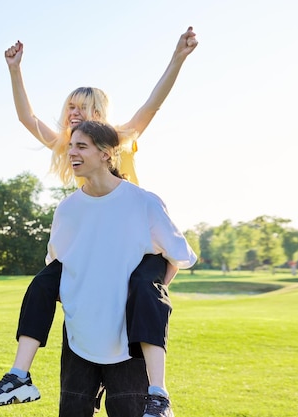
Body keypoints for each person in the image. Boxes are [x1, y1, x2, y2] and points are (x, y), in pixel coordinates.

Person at [0, 27, 198, 415]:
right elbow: (28, 118)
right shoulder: (70, 151)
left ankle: (158, 393)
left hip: (136, 237)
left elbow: (152, 104)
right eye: (69, 108)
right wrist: (15, 71)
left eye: (80, 107)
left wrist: (178, 58)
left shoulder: (119, 137)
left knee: (143, 289)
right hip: (94, 234)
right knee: (46, 281)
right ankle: (19, 376)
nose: (71, 114)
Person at [53, 121, 196, 416]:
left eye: (81, 146)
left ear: (107, 154)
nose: (72, 153)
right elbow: (56, 269)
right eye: (70, 146)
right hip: (79, 336)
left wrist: (146, 295)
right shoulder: (67, 209)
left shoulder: (144, 203)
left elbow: (178, 257)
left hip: (129, 340)